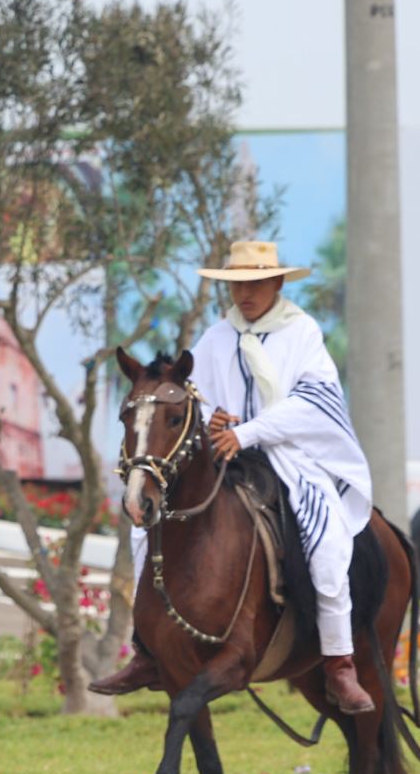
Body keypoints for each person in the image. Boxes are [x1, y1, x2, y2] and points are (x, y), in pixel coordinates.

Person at [93, 240, 375, 713]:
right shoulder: (217, 336)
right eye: (237, 285)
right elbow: (190, 403)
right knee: (149, 530)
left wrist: (249, 431)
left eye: (256, 283)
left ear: (277, 282)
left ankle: (338, 663)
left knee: (325, 543)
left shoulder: (302, 333)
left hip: (290, 458)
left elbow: (314, 402)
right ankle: (147, 651)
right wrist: (213, 422)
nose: (245, 294)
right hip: (224, 458)